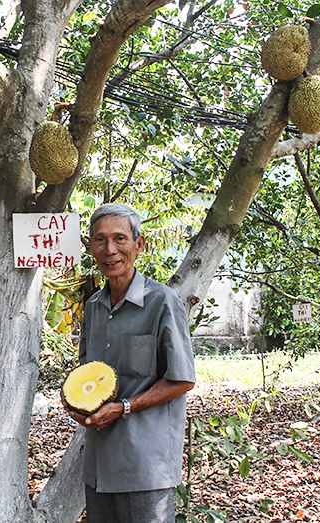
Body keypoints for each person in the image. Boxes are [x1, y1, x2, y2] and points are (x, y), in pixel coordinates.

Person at [64, 202, 196, 523]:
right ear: (91, 246)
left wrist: (123, 407)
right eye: (100, 240)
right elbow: (87, 376)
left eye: (120, 239)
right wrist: (74, 404)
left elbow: (182, 380)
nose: (110, 250)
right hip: (99, 465)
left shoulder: (163, 302)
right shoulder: (94, 306)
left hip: (146, 466)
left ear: (139, 244)